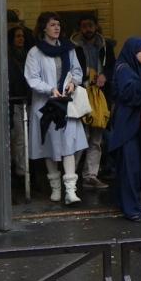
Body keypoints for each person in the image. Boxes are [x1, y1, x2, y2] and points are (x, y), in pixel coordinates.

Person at [24, 12, 88, 205]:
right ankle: (55, 188)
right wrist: (50, 89)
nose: (57, 28)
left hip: (66, 104)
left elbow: (77, 71)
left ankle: (70, 190)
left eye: (58, 24)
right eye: (52, 25)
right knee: (49, 145)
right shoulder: (35, 52)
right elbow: (32, 78)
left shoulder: (68, 49)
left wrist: (73, 83)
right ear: (43, 28)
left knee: (69, 145)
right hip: (47, 106)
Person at [105, 37, 141, 222]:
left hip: (139, 127)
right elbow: (130, 95)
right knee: (130, 168)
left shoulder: (138, 69)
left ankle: (126, 202)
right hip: (127, 127)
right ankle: (131, 208)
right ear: (132, 52)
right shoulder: (124, 70)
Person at [72, 14, 114, 191]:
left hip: (99, 95)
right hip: (81, 93)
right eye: (84, 26)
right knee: (80, 136)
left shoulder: (106, 46)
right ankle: (71, 175)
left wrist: (105, 76)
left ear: (96, 26)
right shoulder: (73, 46)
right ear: (79, 28)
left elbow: (112, 67)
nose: (88, 29)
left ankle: (90, 175)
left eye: (90, 25)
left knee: (96, 138)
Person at [7, 25, 31, 190]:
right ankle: (20, 171)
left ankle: (24, 170)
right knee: (19, 138)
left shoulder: (28, 56)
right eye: (17, 36)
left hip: (27, 101)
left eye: (22, 36)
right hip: (14, 101)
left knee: (25, 138)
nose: (21, 39)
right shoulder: (8, 57)